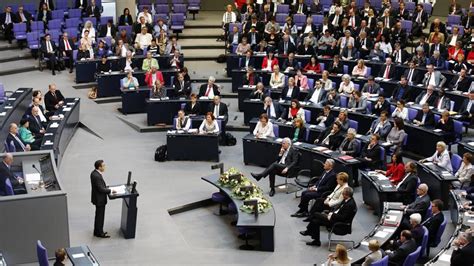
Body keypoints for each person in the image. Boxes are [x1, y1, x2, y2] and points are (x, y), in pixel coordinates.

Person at [91, 160, 115, 238]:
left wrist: (105, 186)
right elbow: (100, 189)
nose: (105, 167)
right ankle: (100, 233)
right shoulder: (97, 176)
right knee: (100, 217)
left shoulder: (94, 173)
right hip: (99, 200)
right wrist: (110, 190)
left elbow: (99, 185)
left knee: (98, 216)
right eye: (103, 166)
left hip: (97, 198)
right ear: (99, 167)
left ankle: (97, 231)